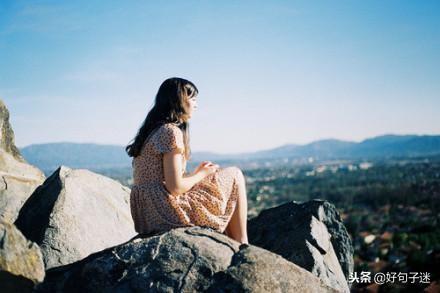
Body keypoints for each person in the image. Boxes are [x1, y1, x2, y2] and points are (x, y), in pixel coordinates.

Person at [126, 77, 248, 244]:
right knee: (235, 174)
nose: (196, 105)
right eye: (193, 99)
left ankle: (236, 243)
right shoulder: (170, 131)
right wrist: (201, 173)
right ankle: (242, 243)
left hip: (148, 216)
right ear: (179, 100)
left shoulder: (152, 131)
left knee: (213, 177)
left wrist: (200, 174)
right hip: (166, 212)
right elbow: (175, 187)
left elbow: (163, 181)